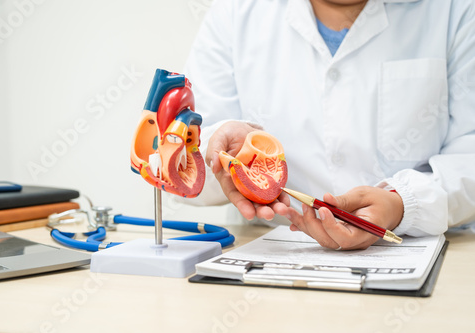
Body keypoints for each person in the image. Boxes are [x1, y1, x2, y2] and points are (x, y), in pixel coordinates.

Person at [182, 0, 475, 250]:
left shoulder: (455, 10)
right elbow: (183, 157)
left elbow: (469, 156)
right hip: (276, 250)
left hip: (421, 247)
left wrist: (403, 205)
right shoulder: (236, 12)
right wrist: (220, 148)